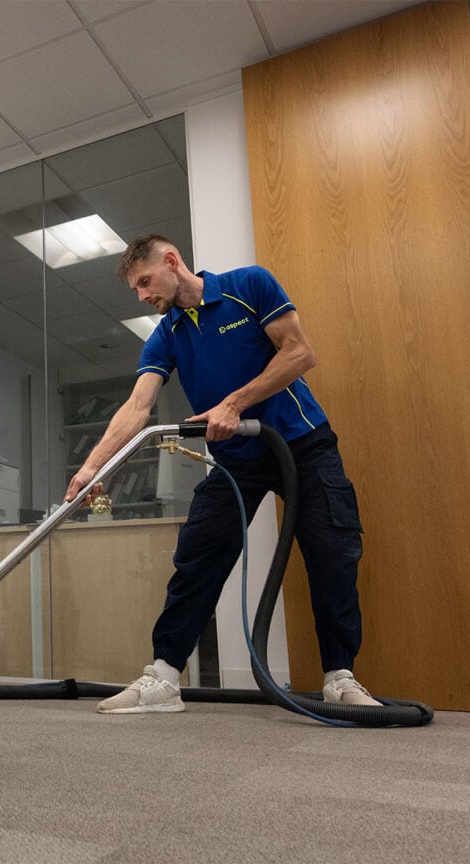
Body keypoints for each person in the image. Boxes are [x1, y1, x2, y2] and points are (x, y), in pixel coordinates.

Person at [64, 235, 378, 714]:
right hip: (238, 460)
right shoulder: (166, 334)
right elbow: (138, 405)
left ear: (172, 261)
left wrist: (233, 402)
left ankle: (339, 677)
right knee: (199, 554)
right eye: (136, 290)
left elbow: (299, 353)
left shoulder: (246, 286)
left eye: (145, 282)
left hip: (302, 444)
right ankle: (164, 677)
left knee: (331, 553)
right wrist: (92, 466)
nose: (143, 296)